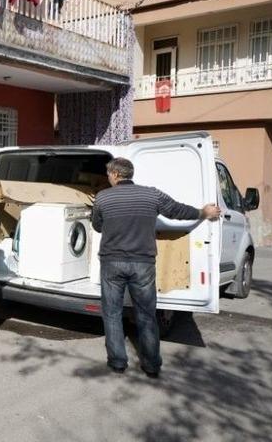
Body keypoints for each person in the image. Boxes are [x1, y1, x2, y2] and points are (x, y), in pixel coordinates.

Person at [92, 157, 220, 378]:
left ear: (114, 174)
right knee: (146, 314)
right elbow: (177, 211)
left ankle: (117, 362)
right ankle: (151, 365)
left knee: (112, 313)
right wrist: (203, 213)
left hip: (112, 263)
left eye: (108, 174)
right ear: (129, 174)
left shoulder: (103, 197)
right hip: (143, 263)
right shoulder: (152, 194)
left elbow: (97, 225)